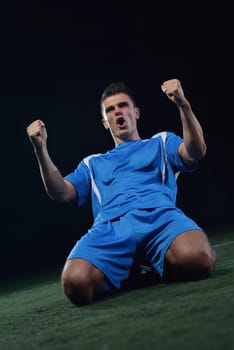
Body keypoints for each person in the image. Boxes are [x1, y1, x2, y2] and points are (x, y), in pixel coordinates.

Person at [26, 78, 216, 306]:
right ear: (105, 122)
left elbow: (196, 150)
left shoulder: (160, 142)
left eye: (123, 106)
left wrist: (183, 104)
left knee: (199, 259)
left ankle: (151, 264)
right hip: (110, 230)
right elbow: (61, 193)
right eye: (110, 110)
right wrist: (41, 149)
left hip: (160, 220)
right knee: (75, 284)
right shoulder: (92, 163)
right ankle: (130, 270)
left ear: (136, 113)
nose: (117, 112)